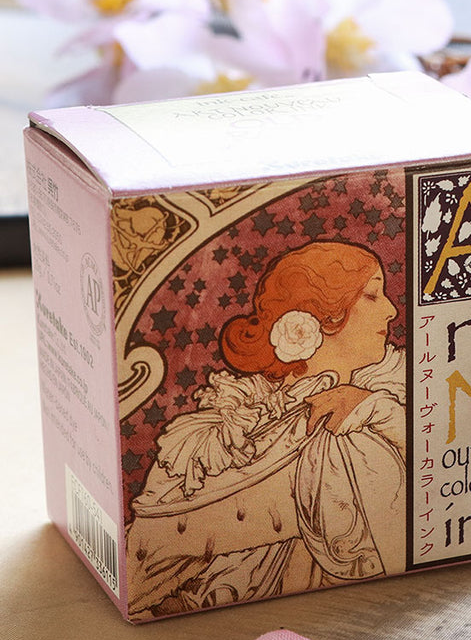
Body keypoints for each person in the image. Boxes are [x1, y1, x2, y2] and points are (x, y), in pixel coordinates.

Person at [126, 241, 406, 619]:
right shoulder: (220, 437)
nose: (391, 310)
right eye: (372, 296)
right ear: (323, 317)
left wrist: (374, 407)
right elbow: (146, 560)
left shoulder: (380, 406)